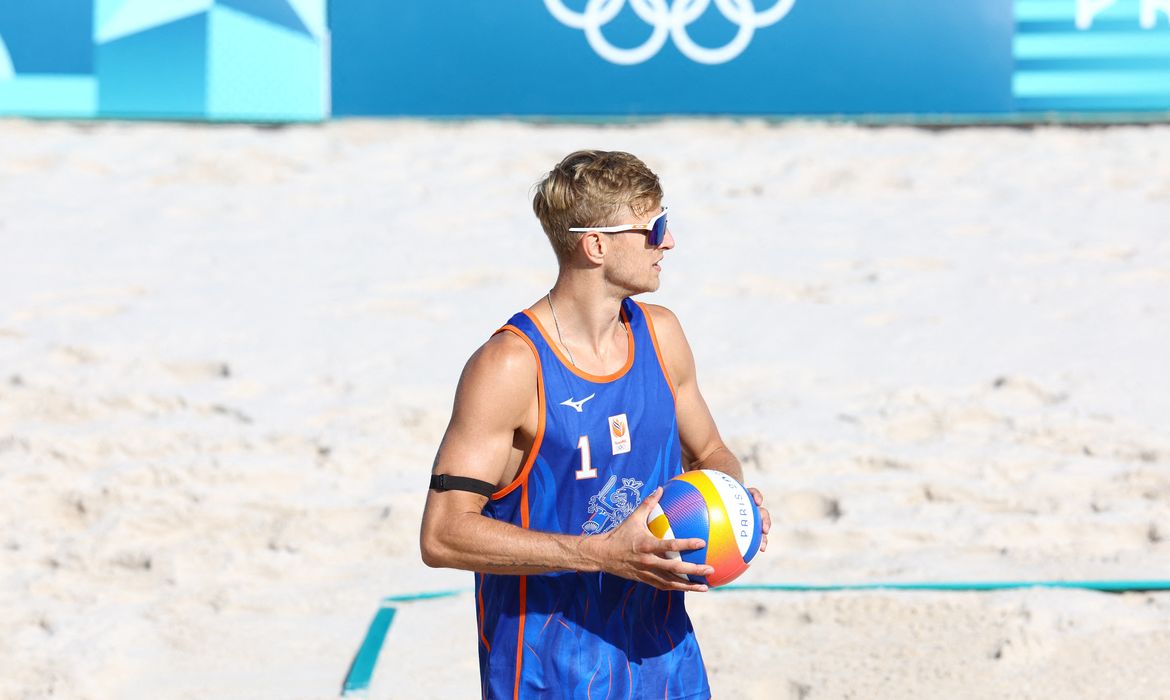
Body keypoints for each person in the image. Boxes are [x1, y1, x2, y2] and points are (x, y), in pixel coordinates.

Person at [419, 150, 770, 699]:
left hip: (663, 654)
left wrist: (728, 505)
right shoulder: (511, 366)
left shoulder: (662, 334)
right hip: (547, 670)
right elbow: (441, 535)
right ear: (596, 245)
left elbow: (711, 453)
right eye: (653, 228)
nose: (668, 242)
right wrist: (600, 554)